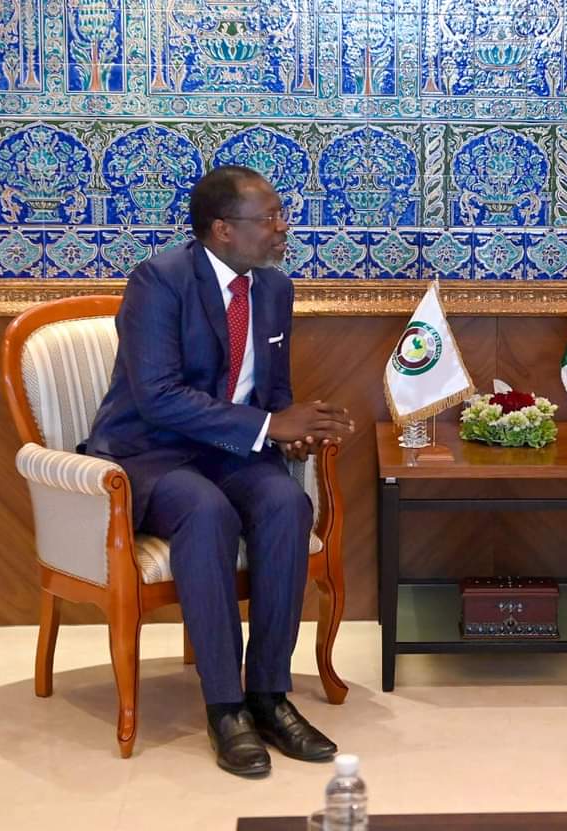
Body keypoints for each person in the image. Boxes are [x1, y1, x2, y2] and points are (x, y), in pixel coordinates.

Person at [84, 165, 354, 777]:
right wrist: (268, 426)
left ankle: (269, 695)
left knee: (287, 505)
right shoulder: (160, 281)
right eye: (270, 218)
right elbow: (157, 396)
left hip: (230, 451)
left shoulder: (275, 288)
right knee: (206, 512)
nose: (283, 228)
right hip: (151, 452)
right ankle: (225, 707)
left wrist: (293, 431)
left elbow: (272, 392)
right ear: (222, 229)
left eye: (282, 215)